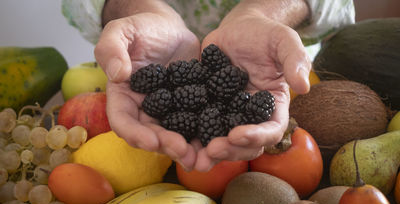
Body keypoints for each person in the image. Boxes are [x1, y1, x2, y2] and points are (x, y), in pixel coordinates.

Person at [62, 0, 355, 172]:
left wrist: (261, 14)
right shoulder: (193, 91)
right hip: (146, 54)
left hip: (268, 64)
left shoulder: (220, 93)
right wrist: (138, 7)